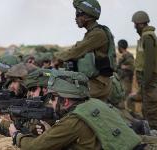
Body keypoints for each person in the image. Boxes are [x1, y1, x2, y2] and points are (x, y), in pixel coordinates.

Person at [9, 70, 141, 150]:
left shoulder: (73, 121)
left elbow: (35, 147)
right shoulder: (95, 103)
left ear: (65, 101)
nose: (50, 102)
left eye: (53, 97)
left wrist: (16, 135)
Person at [54, 0, 115, 101]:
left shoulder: (98, 34)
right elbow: (77, 48)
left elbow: (77, 51)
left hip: (99, 84)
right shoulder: (92, 33)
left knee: (66, 97)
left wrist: (56, 58)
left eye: (78, 14)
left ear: (88, 16)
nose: (76, 18)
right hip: (96, 81)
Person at [132, 10, 157, 132]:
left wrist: (145, 82)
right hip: (146, 83)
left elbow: (149, 63)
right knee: (147, 112)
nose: (134, 27)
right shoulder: (145, 37)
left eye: (135, 24)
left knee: (151, 114)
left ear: (140, 24)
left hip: (148, 82)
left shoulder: (148, 37)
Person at [116, 39, 135, 109]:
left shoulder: (128, 55)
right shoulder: (123, 56)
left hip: (126, 80)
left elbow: (132, 66)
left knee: (127, 97)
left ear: (120, 47)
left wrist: (124, 67)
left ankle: (131, 113)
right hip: (122, 79)